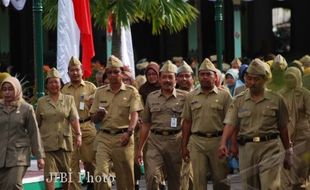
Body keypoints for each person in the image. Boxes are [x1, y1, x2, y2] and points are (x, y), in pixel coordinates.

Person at [218, 58, 292, 190]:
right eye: (249, 78)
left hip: (270, 147)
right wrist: (224, 142)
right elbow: (230, 123)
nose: (252, 83)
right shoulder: (239, 100)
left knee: (270, 186)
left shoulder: (276, 99)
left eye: (256, 79)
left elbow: (283, 128)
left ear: (265, 79)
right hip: (247, 149)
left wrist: (288, 151)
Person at [90, 55, 143, 190]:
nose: (113, 75)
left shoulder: (131, 92)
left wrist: (129, 132)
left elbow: (134, 113)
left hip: (123, 137)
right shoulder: (100, 92)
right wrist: (99, 115)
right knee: (100, 175)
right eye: (110, 72)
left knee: (125, 181)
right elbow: (93, 118)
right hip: (104, 138)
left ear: (122, 73)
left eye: (116, 72)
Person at [181, 58, 232, 190]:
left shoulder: (224, 96)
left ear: (215, 77)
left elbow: (231, 122)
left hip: (217, 141)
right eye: (202, 74)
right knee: (199, 180)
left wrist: (230, 143)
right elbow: (187, 122)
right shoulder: (191, 97)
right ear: (198, 77)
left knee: (221, 180)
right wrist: (184, 145)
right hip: (197, 141)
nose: (205, 77)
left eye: (208, 74)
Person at [137, 60, 187, 190]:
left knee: (176, 181)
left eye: (170, 77)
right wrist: (140, 149)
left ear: (176, 79)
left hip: (176, 141)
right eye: (164, 77)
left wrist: (186, 145)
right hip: (155, 141)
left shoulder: (185, 97)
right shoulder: (151, 97)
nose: (167, 80)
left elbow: (189, 123)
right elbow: (146, 124)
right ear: (159, 79)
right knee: (152, 176)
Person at [36, 68, 82, 190]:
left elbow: (74, 118)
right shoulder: (41, 102)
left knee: (66, 174)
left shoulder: (68, 99)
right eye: (50, 82)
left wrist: (78, 134)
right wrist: (35, 143)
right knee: (49, 174)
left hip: (64, 142)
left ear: (61, 84)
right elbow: (37, 124)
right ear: (46, 85)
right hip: (47, 143)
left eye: (56, 82)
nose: (54, 85)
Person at [0, 76, 45, 189]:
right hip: (1, 154)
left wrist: (39, 156)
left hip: (18, 156)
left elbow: (34, 133)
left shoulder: (26, 108)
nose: (7, 92)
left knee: (13, 184)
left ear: (17, 90)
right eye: (4, 89)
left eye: (10, 89)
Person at [61, 56, 97, 190]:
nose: (75, 73)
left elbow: (98, 107)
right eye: (72, 70)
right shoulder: (64, 90)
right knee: (72, 163)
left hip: (87, 126)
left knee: (90, 160)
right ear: (68, 72)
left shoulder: (91, 88)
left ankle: (92, 183)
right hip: (70, 129)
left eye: (77, 70)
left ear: (82, 71)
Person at [279, 67, 310, 189]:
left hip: (302, 137)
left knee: (302, 169)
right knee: (286, 170)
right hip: (285, 137)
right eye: (286, 77)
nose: (288, 80)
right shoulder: (280, 94)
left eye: (291, 77)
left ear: (297, 77)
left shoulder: (305, 94)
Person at [176, 62, 194, 190]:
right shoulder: (171, 95)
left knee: (188, 173)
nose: (184, 79)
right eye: (181, 76)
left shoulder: (199, 95)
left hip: (194, 139)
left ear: (193, 78)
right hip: (175, 138)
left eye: (187, 76)